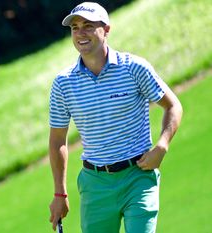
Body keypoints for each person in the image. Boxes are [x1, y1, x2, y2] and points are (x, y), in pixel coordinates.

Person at [48, 2, 183, 233]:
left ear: (106, 30)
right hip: (95, 184)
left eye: (88, 26)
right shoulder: (63, 84)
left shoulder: (134, 68)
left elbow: (173, 106)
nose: (80, 33)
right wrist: (60, 193)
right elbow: (58, 140)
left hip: (138, 176)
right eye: (75, 27)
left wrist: (162, 145)